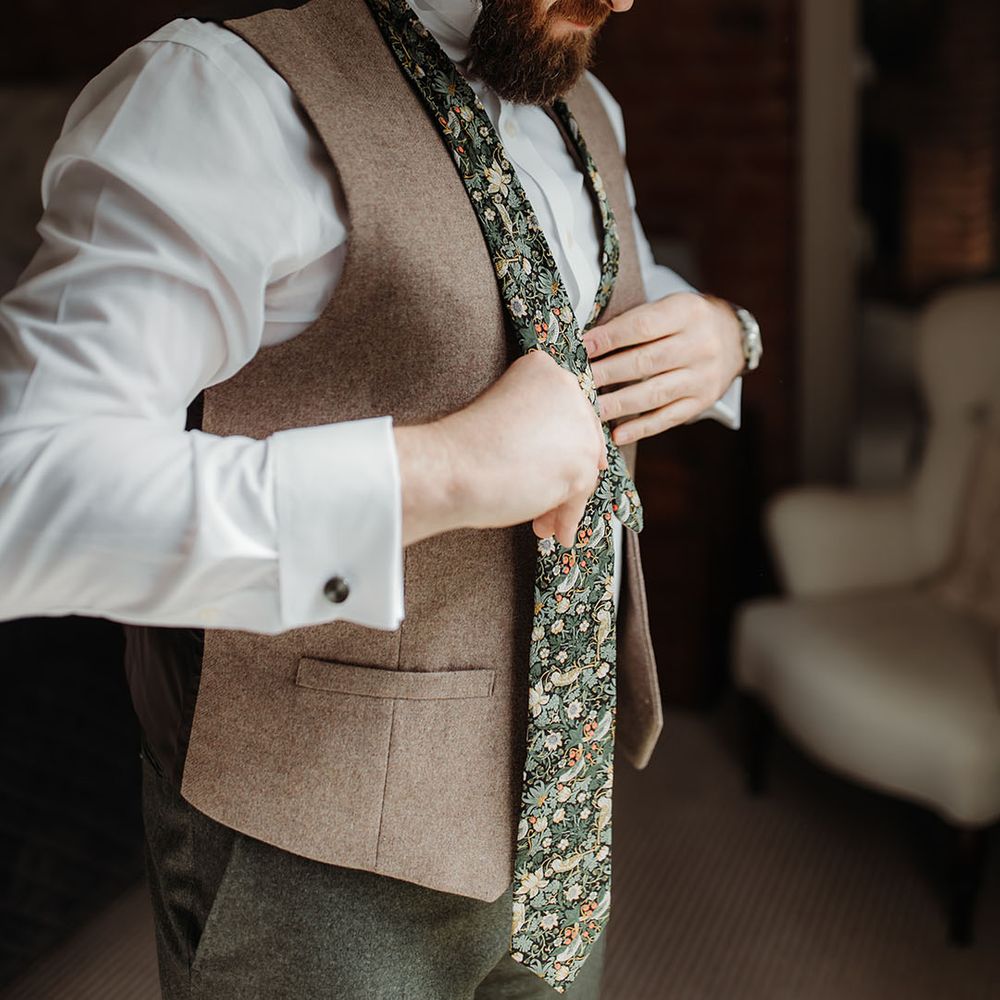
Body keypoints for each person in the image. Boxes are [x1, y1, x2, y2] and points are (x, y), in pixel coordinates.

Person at [0, 0, 758, 996]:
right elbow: (26, 482)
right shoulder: (224, 95)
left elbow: (598, 292)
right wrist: (443, 470)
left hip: (564, 822)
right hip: (316, 861)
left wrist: (727, 336)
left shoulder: (586, 106)